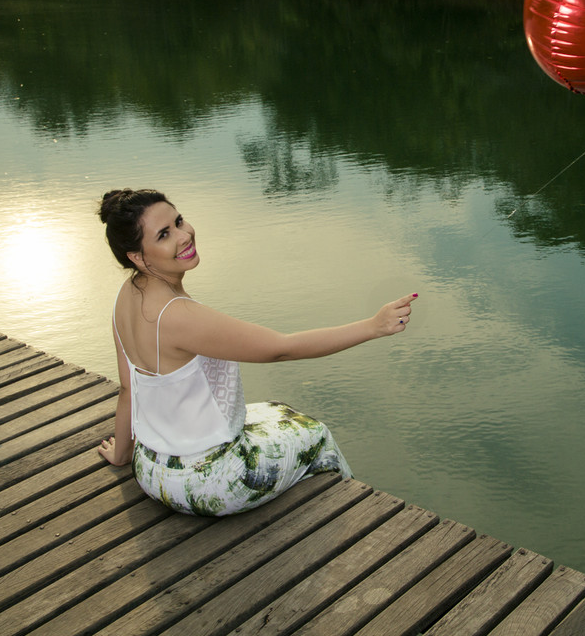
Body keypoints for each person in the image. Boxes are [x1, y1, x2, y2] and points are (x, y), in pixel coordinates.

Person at [95, 188, 415, 516]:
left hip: (150, 469)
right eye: (164, 235)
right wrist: (374, 326)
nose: (184, 235)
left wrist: (122, 455)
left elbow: (127, 388)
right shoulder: (177, 315)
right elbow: (282, 349)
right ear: (138, 256)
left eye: (178, 221)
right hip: (206, 484)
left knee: (277, 411)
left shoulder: (127, 295)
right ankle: (353, 520)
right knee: (315, 435)